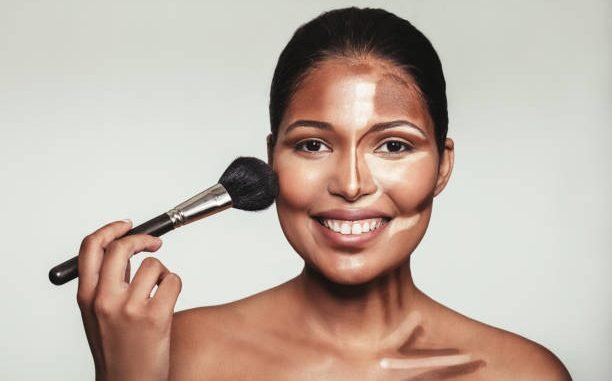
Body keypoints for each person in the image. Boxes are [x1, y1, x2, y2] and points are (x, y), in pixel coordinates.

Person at [76, 7, 572, 381]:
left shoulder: (522, 372)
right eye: (313, 145)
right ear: (272, 160)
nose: (351, 184)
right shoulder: (176, 354)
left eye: (393, 145)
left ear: (443, 165)